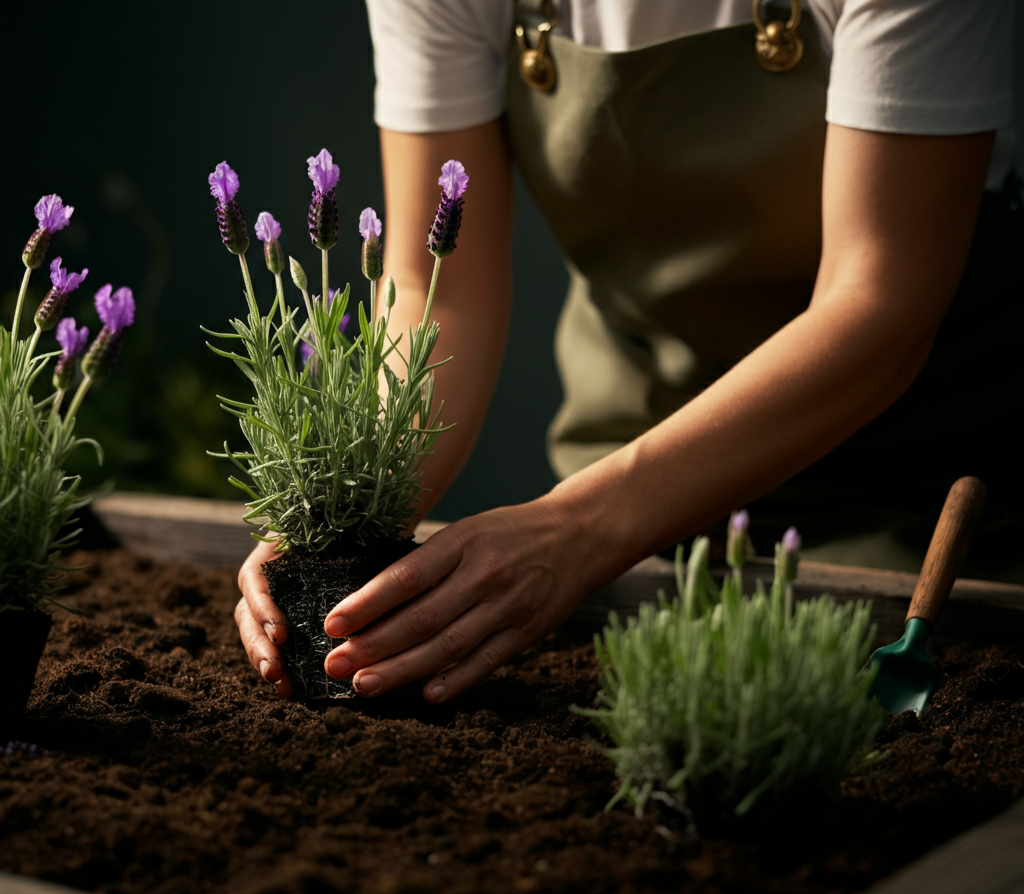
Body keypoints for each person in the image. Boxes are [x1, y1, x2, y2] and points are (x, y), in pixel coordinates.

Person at [235, 0, 1020, 704]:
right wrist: (345, 514)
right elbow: (437, 288)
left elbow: (880, 305)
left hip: (911, 506)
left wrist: (578, 529)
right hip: (620, 483)